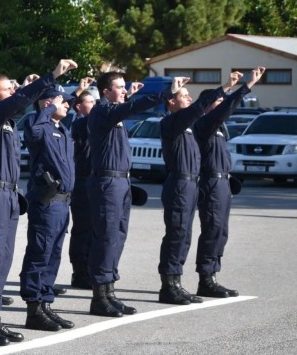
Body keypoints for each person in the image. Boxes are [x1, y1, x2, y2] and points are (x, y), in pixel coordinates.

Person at [0, 60, 77, 347]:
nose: (13, 91)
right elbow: (23, 101)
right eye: (8, 88)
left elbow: (21, 102)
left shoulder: (5, 121)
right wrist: (52, 76)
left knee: (3, 258)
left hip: (8, 194)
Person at [86, 72, 183, 318]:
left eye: (124, 87)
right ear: (106, 92)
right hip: (107, 181)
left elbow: (128, 106)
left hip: (121, 182)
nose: (124, 90)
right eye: (119, 87)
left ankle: (109, 292)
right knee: (106, 237)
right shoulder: (102, 112)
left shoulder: (115, 113)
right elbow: (132, 107)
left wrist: (130, 96)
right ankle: (99, 297)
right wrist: (166, 93)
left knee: (118, 236)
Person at [18, 83, 89, 332]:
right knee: (40, 253)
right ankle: (33, 308)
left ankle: (46, 303)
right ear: (48, 103)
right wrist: (47, 111)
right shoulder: (35, 124)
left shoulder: (62, 128)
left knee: (53, 255)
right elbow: (34, 129)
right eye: (63, 101)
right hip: (46, 201)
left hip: (63, 202)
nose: (68, 104)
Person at [193, 67, 264, 299]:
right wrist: (245, 87)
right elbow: (223, 110)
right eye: (218, 100)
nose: (221, 103)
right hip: (210, 184)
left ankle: (213, 274)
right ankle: (206, 279)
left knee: (221, 231)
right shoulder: (204, 124)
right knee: (212, 229)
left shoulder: (220, 129)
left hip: (223, 183)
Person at [157, 77, 226, 305]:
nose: (188, 97)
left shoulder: (188, 128)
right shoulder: (171, 123)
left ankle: (177, 283)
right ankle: (169, 285)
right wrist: (225, 87)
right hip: (178, 183)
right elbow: (197, 109)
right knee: (177, 233)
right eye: (183, 95)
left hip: (191, 184)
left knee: (184, 235)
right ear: (171, 102)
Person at [68, 89, 96, 289]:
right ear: (79, 106)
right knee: (82, 228)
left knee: (94, 228)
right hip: (81, 180)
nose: (94, 107)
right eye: (91, 103)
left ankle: (90, 268)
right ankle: (80, 271)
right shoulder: (78, 124)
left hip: (94, 180)